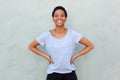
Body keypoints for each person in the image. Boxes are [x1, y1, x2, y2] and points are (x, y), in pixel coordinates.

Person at [28, 6, 94, 80]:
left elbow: (90, 45)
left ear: (65, 18)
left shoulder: (73, 34)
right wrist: (47, 56)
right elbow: (31, 46)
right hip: (53, 74)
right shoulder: (46, 35)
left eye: (62, 15)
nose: (59, 18)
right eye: (56, 16)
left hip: (70, 74)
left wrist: (74, 56)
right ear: (53, 18)